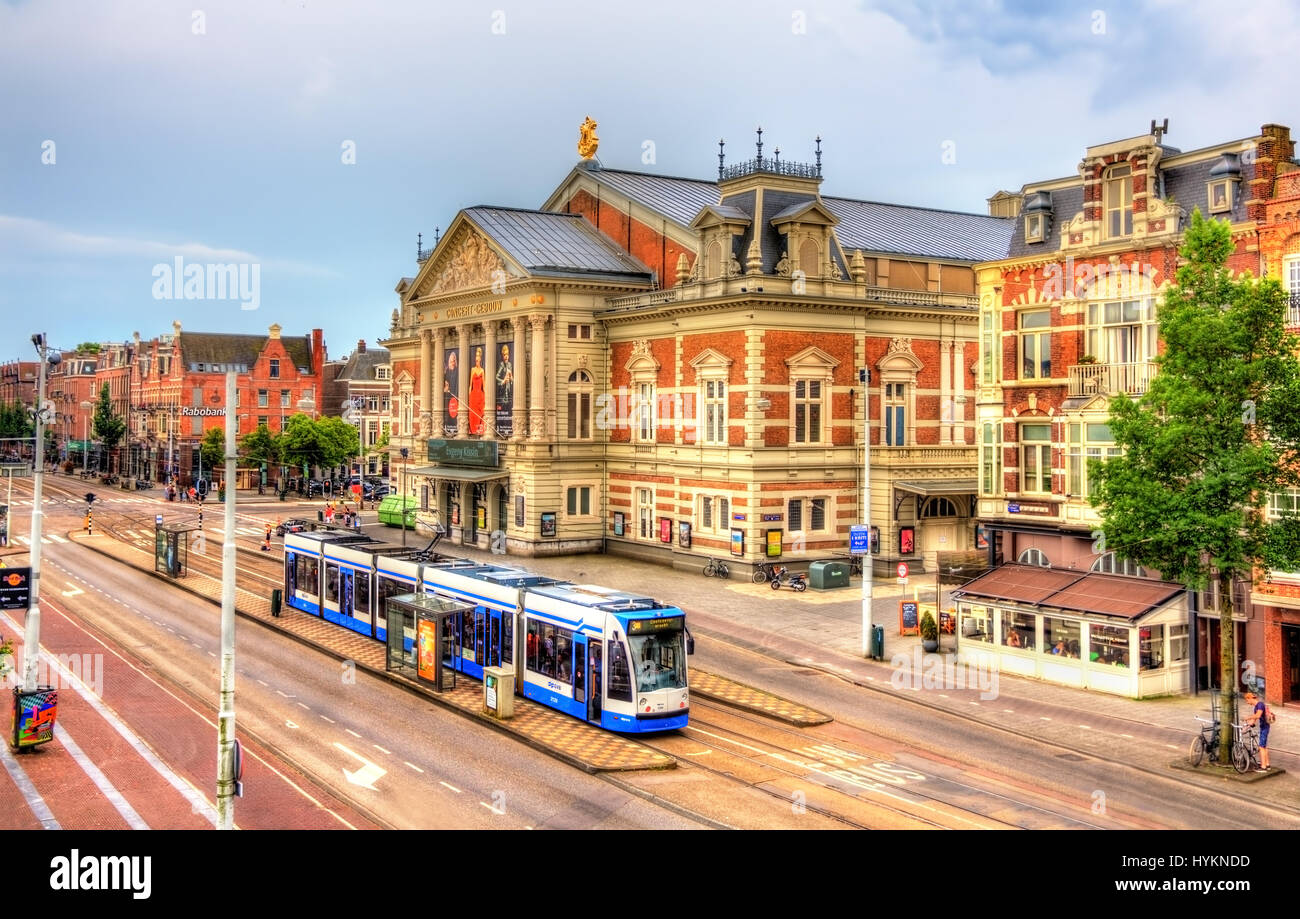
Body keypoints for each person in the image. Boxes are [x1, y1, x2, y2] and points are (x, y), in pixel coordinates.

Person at [1245, 690, 1271, 771]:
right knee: (1264, 746)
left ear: (1250, 698)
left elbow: (1258, 715)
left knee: (1261, 747)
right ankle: (1267, 764)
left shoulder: (1260, 705)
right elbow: (1254, 719)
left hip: (1265, 728)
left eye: (1247, 700)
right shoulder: (1256, 707)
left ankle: (1263, 767)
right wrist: (1246, 727)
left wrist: (1247, 717)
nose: (1247, 702)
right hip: (1263, 727)